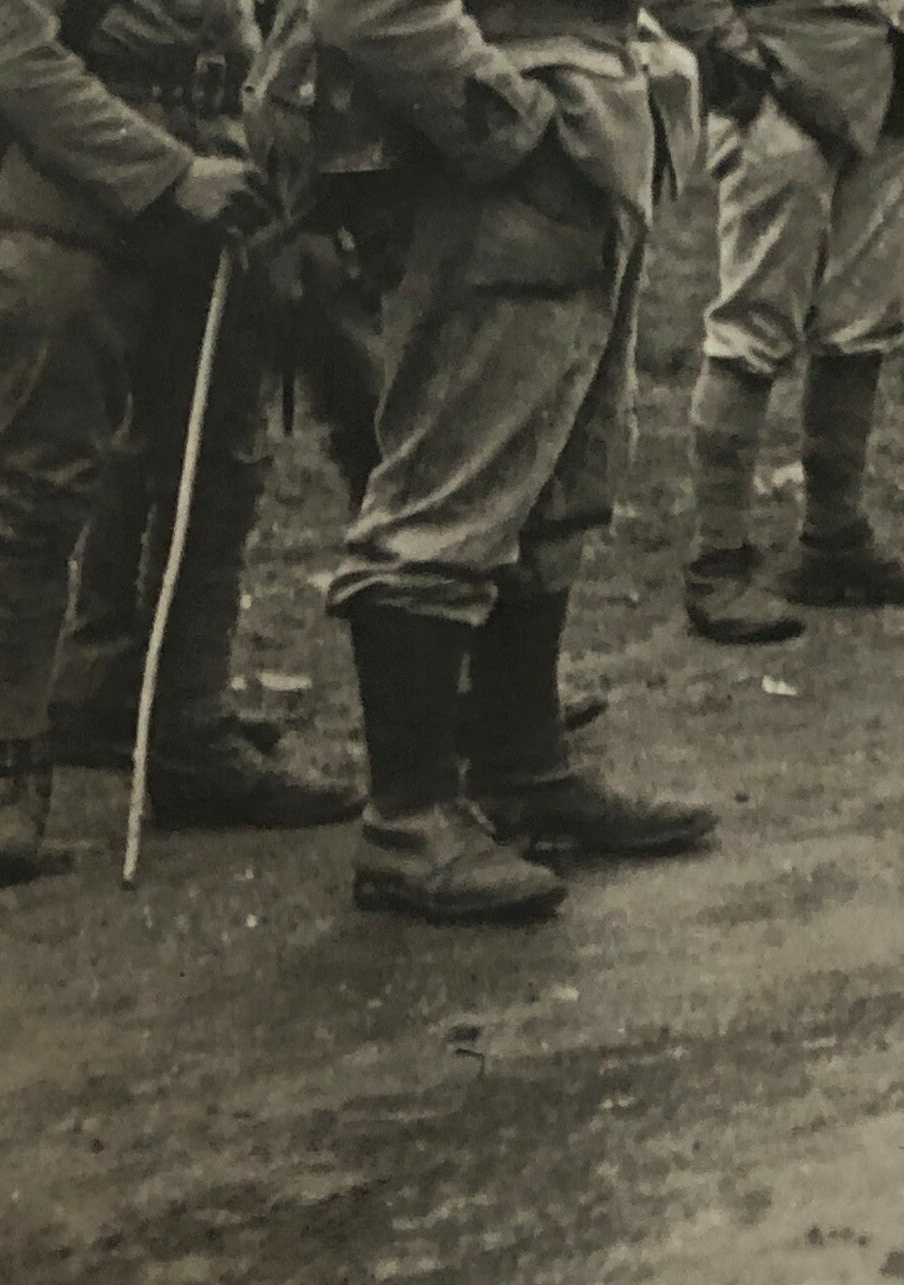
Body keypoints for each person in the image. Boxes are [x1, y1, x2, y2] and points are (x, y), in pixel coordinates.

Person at [289, 0, 717, 924]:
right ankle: (408, 820)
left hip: (583, 153)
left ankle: (522, 768)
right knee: (450, 487)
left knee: (559, 474)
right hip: (500, 169)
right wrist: (516, 132)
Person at [0, 0, 360, 884]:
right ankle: (11, 763)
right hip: (76, 196)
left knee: (215, 474)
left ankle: (184, 729)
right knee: (40, 481)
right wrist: (170, 173)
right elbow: (7, 58)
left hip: (223, 189)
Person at [655, 0, 904, 644]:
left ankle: (835, 541)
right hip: (780, 80)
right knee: (753, 327)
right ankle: (717, 563)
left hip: (894, 79)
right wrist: (729, 48)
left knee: (865, 322)